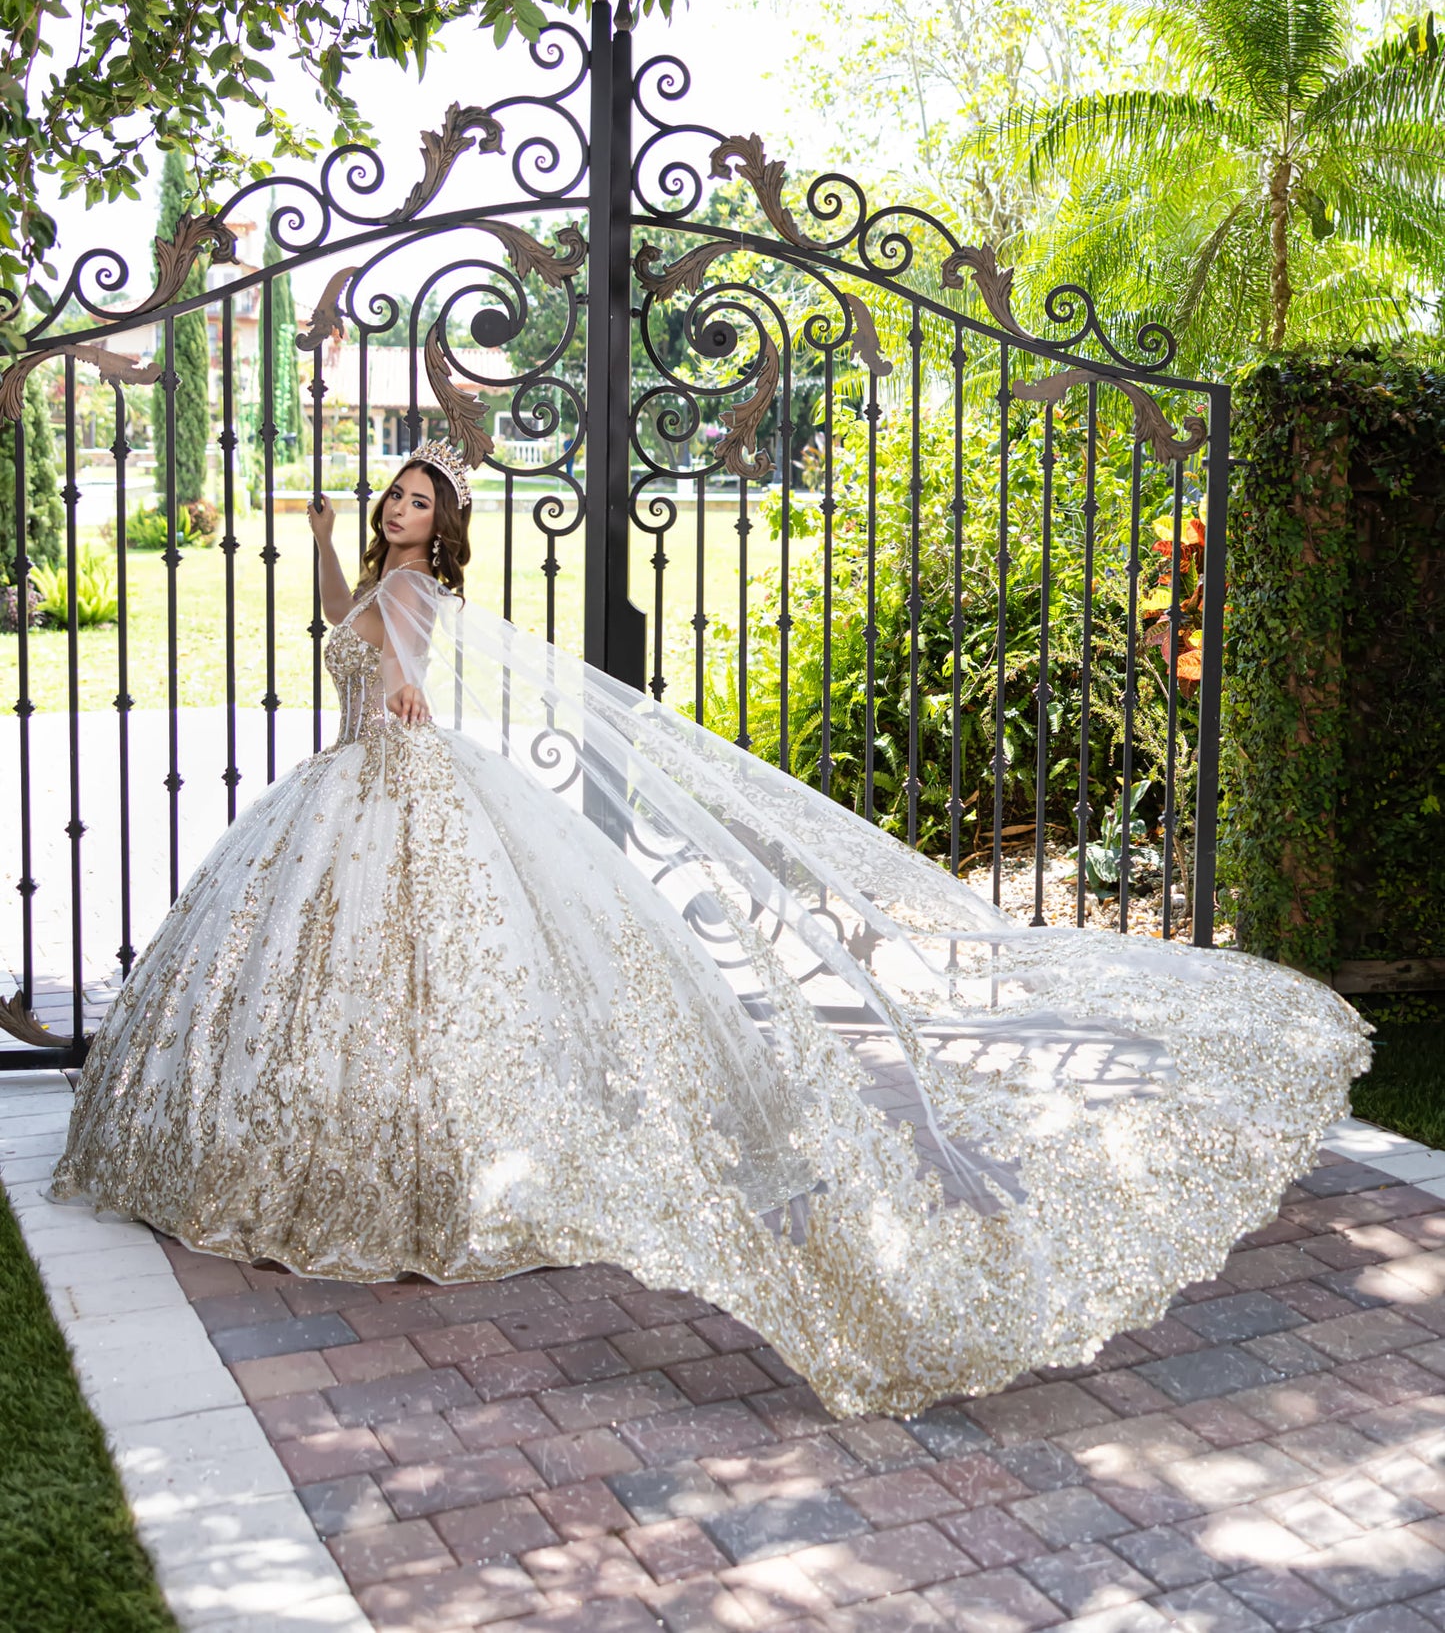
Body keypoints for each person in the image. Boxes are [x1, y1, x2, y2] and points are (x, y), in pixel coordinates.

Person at [51, 440, 1370, 1419]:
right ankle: (415, 1155)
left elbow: (392, 678)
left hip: (389, 787)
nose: (401, 511)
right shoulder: (386, 584)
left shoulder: (411, 602)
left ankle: (406, 1168)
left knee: (400, 978)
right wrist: (329, 534)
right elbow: (345, 618)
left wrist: (393, 681)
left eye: (415, 503)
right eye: (395, 497)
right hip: (362, 788)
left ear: (443, 527)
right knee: (404, 983)